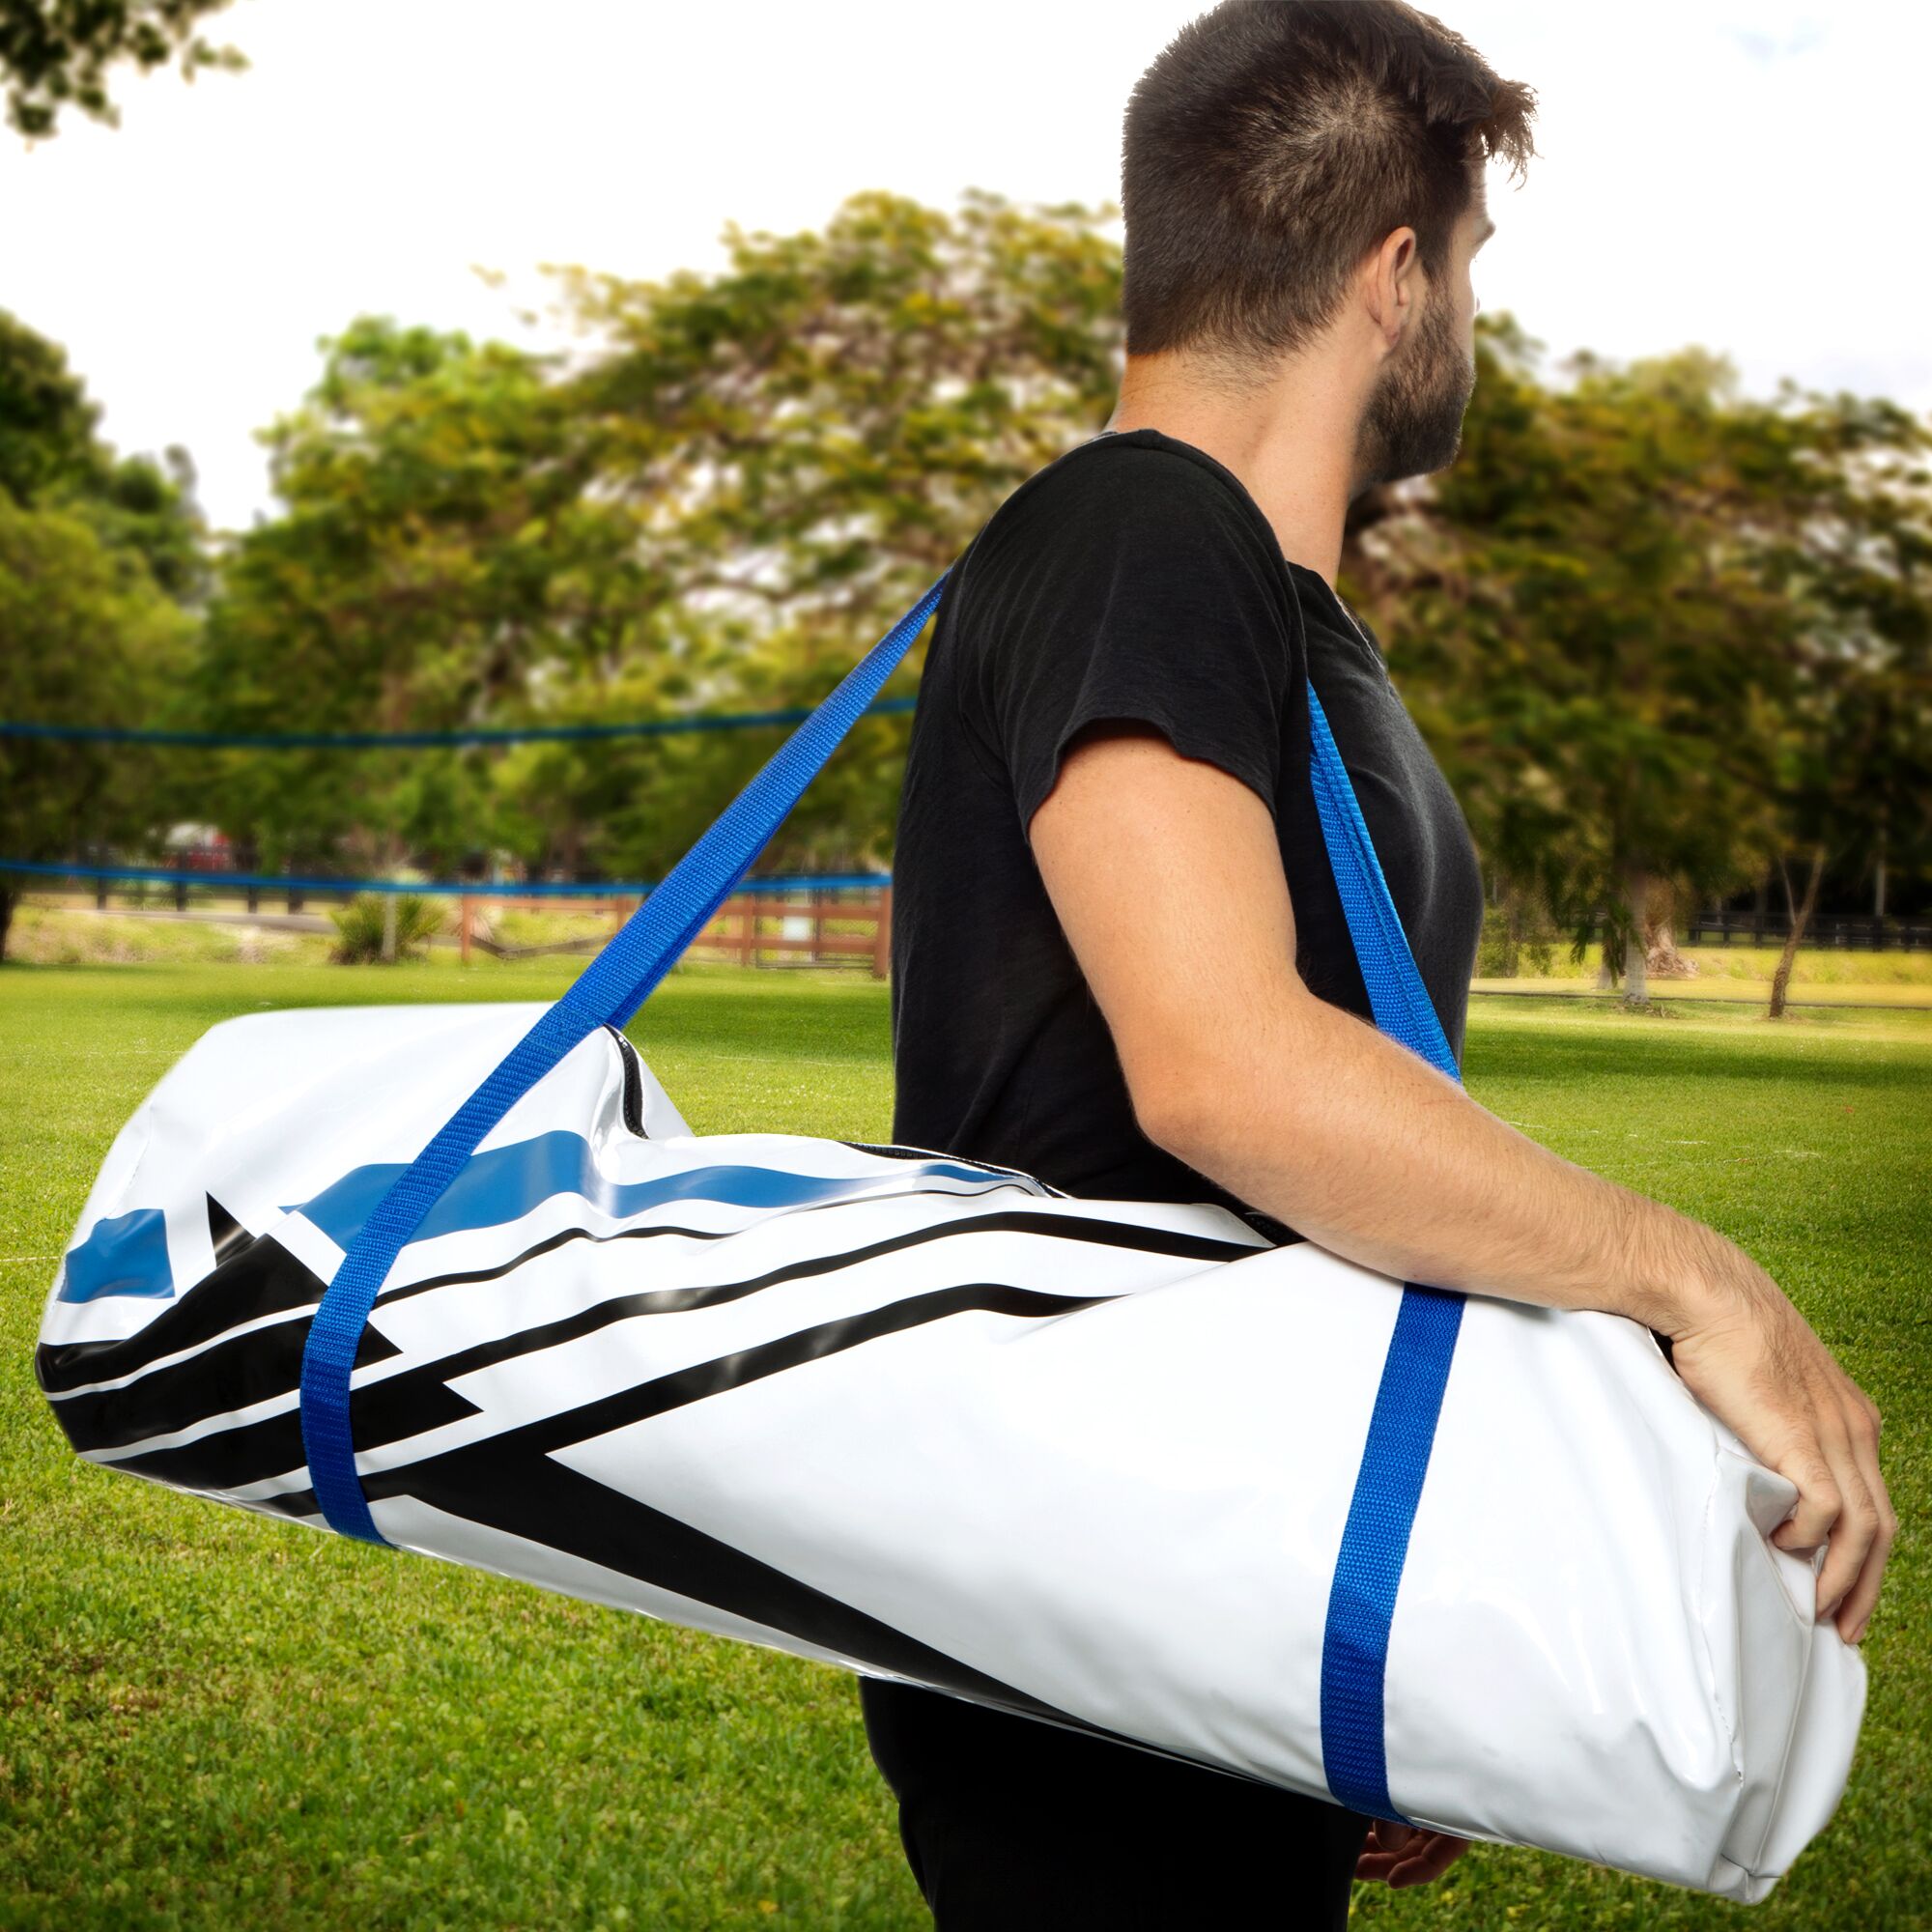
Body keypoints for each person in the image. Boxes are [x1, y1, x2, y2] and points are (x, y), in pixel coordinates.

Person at [857, 3, 1895, 1925]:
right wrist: (1706, 1287)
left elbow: (1350, 1144)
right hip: (1099, 1614)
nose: (1472, 324)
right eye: (1474, 267)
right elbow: (1224, 1071)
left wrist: (1410, 1627)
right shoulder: (1139, 526)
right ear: (1393, 274)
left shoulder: (1284, 624)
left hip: (1238, 1586)